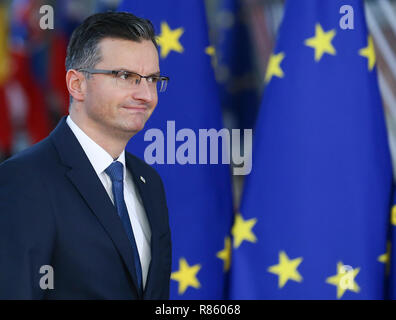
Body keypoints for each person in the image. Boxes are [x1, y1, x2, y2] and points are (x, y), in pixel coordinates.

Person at [0, 11, 171, 300]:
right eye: (126, 76)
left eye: (152, 79)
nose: (146, 95)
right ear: (76, 84)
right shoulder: (22, 181)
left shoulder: (150, 182)